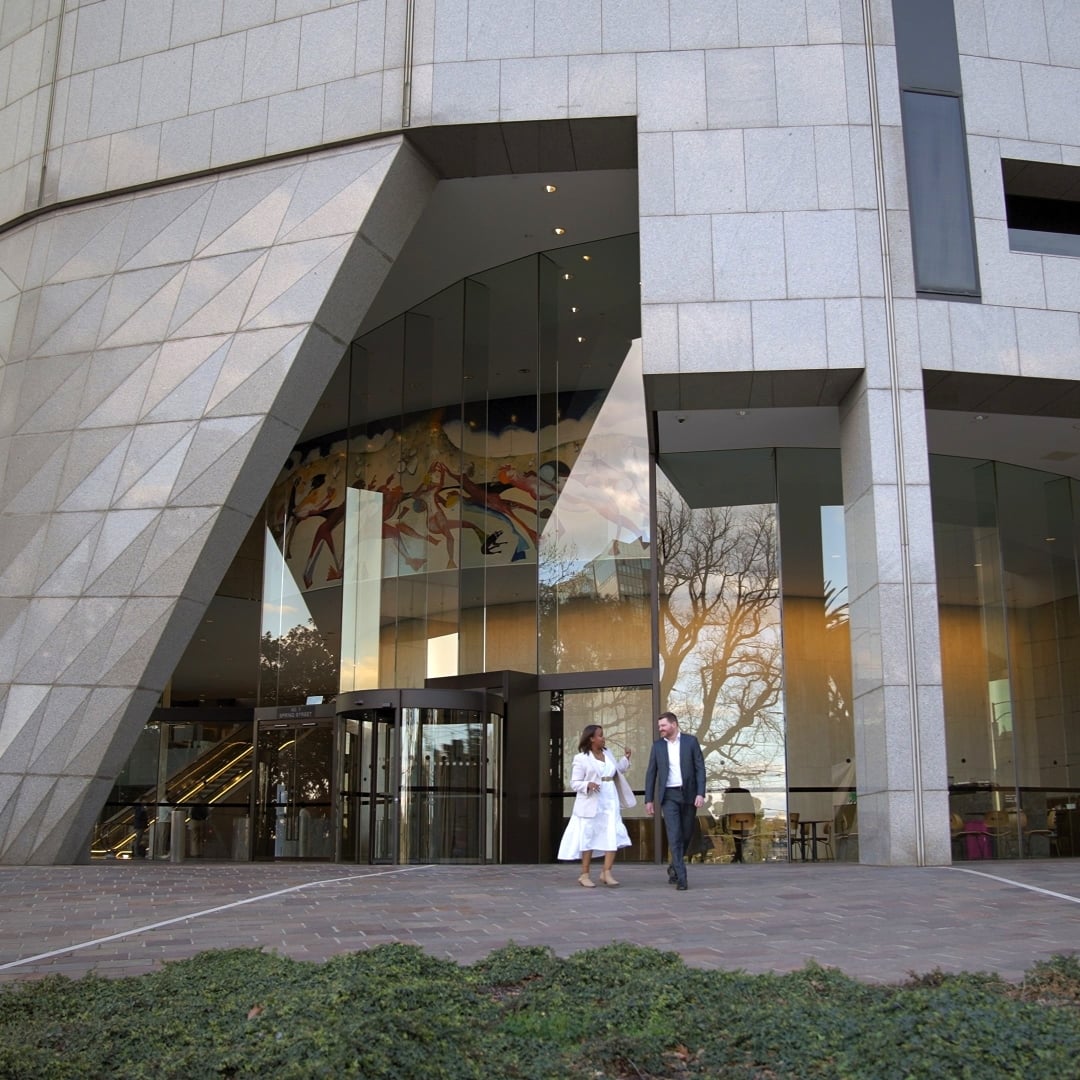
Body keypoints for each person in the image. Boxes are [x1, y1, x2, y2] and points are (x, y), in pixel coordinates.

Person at [557, 724, 635, 887]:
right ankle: (584, 874)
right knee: (588, 836)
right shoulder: (581, 758)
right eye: (600, 735)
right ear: (591, 738)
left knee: (611, 832)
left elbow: (616, 771)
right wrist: (588, 785)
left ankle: (606, 872)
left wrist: (626, 759)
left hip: (609, 797)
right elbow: (574, 783)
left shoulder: (608, 753)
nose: (603, 738)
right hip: (591, 800)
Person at [644, 711, 706, 891]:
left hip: (688, 794)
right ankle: (682, 877)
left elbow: (700, 768)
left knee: (686, 834)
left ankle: (674, 865)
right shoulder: (657, 747)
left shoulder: (690, 742)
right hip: (668, 796)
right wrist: (649, 799)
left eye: (663, 726)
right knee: (674, 835)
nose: (660, 729)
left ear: (673, 724)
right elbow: (651, 774)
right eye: (659, 726)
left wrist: (700, 793)